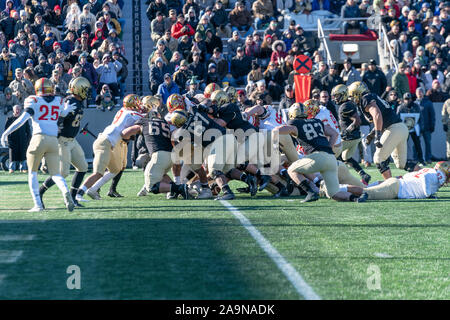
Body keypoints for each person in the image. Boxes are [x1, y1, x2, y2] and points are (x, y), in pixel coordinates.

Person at [1, 78, 76, 212]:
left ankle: (38, 205)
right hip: (53, 141)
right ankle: (65, 191)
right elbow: (62, 113)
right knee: (55, 174)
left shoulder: (34, 100)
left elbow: (22, 120)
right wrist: (67, 109)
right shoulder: (58, 100)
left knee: (32, 172)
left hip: (38, 139)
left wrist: (6, 133)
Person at [273, 103, 365, 203]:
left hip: (317, 157)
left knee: (291, 170)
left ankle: (310, 193)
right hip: (331, 158)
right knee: (334, 194)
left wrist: (274, 140)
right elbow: (334, 133)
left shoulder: (294, 123)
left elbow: (277, 130)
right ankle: (355, 198)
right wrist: (329, 148)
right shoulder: (317, 121)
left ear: (292, 114)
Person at [76, 94, 148, 202]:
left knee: (115, 169)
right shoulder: (132, 113)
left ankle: (93, 189)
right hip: (104, 143)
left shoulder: (123, 111)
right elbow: (146, 119)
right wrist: (150, 111)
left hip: (109, 143)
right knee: (98, 173)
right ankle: (78, 194)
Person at [348, 81, 420, 180]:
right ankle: (427, 176)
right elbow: (381, 117)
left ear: (358, 93)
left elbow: (377, 115)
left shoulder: (365, 98)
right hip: (401, 128)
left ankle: (390, 185)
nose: (352, 99)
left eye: (352, 96)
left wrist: (377, 136)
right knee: (401, 164)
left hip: (393, 128)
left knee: (378, 159)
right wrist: (373, 133)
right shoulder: (371, 96)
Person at [39, 77, 91, 208]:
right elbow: (56, 118)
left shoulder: (78, 101)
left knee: (83, 167)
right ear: (79, 90)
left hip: (72, 140)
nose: (88, 92)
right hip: (62, 141)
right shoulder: (69, 101)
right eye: (86, 89)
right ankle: (40, 193)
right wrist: (61, 116)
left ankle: (73, 198)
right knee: (62, 173)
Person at [346, 162, 450, 201]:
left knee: (367, 189)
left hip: (397, 182)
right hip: (396, 188)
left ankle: (342, 189)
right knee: (366, 193)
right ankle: (339, 189)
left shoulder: (428, 170)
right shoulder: (433, 175)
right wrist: (428, 193)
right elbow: (426, 181)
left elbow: (410, 175)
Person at [397, 92, 425, 165]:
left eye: (409, 99)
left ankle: (421, 160)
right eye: (406, 99)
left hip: (414, 128)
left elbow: (421, 118)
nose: (408, 101)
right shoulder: (400, 107)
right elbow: (397, 119)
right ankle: (403, 161)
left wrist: (421, 128)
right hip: (404, 129)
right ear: (403, 100)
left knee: (417, 144)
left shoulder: (416, 106)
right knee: (403, 145)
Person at [4, 105, 30, 173]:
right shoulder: (9, 119)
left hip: (22, 141)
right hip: (13, 142)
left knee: (23, 156)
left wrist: (27, 141)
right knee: (13, 157)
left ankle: (23, 168)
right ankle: (11, 169)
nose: (18, 111)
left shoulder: (24, 119)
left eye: (19, 109)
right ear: (13, 110)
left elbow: (28, 132)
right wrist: (8, 142)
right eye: (16, 109)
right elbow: (6, 131)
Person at [415, 87, 435, 164]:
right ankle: (417, 158)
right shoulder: (414, 103)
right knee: (416, 144)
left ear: (423, 93)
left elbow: (432, 116)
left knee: (428, 143)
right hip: (417, 127)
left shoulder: (428, 103)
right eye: (418, 92)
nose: (419, 93)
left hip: (426, 127)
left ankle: (428, 158)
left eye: (421, 92)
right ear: (416, 94)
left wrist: (432, 125)